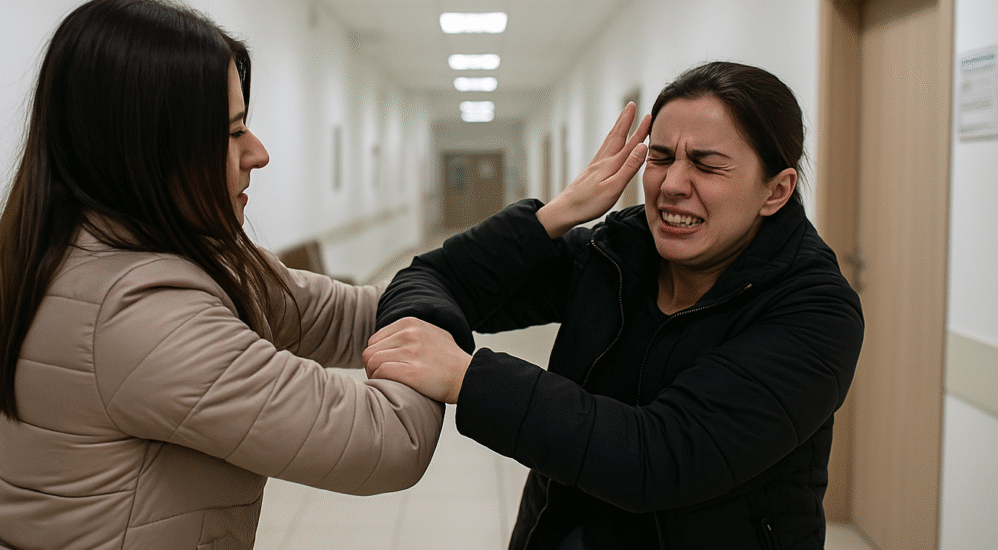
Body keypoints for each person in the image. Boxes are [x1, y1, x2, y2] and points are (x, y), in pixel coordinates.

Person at [0, 0, 442, 550]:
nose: (258, 153)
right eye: (233, 133)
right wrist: (438, 333)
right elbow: (385, 441)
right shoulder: (137, 312)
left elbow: (333, 314)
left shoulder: (142, 250)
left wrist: (490, 265)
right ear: (149, 149)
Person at [363, 62, 863, 549]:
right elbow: (437, 277)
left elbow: (658, 459)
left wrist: (467, 377)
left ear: (776, 191)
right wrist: (554, 215)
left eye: (707, 165)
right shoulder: (613, 258)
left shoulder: (814, 313)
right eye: (661, 158)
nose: (671, 185)